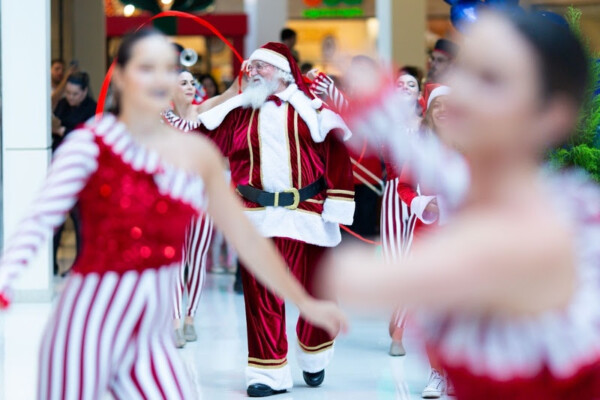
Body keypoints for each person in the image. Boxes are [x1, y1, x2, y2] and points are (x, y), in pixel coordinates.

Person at [0, 28, 346, 400]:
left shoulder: (195, 152)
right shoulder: (90, 143)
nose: (159, 79)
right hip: (88, 326)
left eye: (167, 69)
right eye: (146, 68)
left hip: (153, 339)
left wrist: (305, 302)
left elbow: (249, 239)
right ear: (120, 77)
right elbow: (39, 220)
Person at [327, 10, 600, 400]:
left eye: (490, 79)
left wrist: (382, 112)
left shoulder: (528, 233)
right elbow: (447, 171)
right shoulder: (518, 196)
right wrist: (387, 121)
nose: (461, 92)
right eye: (462, 69)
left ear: (552, 114)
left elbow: (352, 277)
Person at [195, 42, 355, 397]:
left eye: (260, 67)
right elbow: (201, 141)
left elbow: (338, 155)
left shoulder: (312, 110)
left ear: (282, 72)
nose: (252, 72)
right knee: (261, 296)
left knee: (317, 291)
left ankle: (314, 354)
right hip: (257, 219)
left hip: (308, 216)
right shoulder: (238, 112)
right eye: (250, 67)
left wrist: (338, 203)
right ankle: (268, 373)